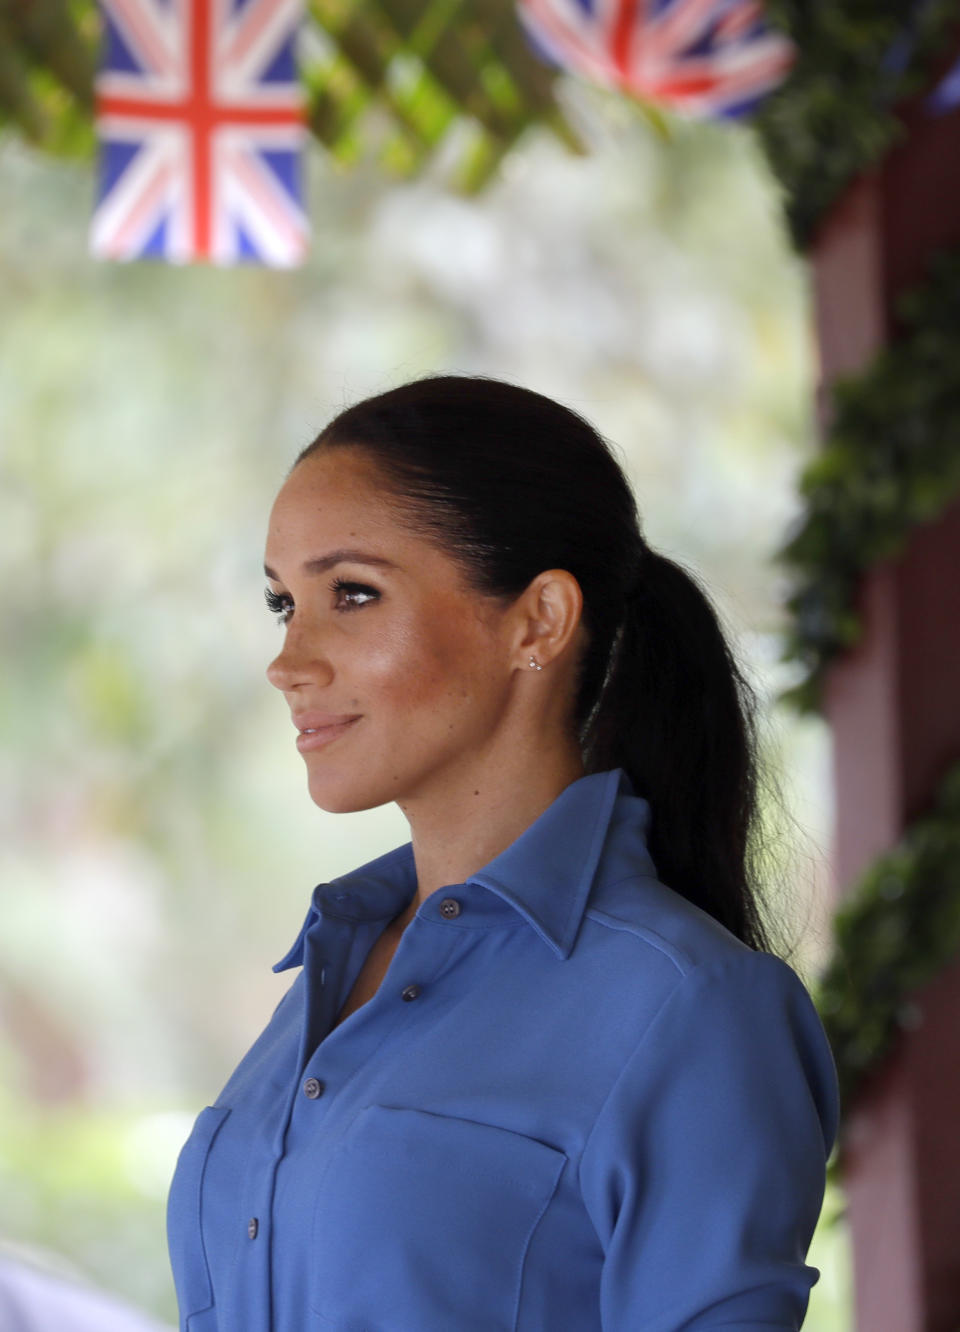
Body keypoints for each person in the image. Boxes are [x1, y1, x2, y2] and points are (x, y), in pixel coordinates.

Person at [167, 374, 839, 1331]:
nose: (289, 660)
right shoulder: (329, 973)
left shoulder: (692, 1006)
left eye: (351, 594)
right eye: (284, 603)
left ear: (539, 621)